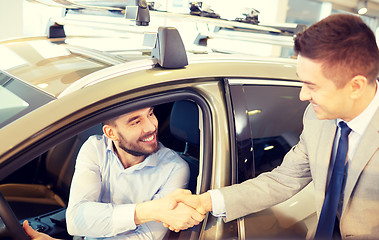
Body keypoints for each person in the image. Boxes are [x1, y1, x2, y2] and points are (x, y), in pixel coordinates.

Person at [169, 14, 379, 239]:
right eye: (301, 82)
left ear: (355, 86)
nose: (302, 96)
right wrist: (206, 200)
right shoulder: (316, 119)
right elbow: (283, 179)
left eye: (312, 86)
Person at [65, 106, 204, 239]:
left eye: (150, 114)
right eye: (136, 122)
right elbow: (76, 220)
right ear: (111, 133)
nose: (151, 126)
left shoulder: (175, 168)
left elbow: (146, 237)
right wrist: (151, 210)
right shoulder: (94, 148)